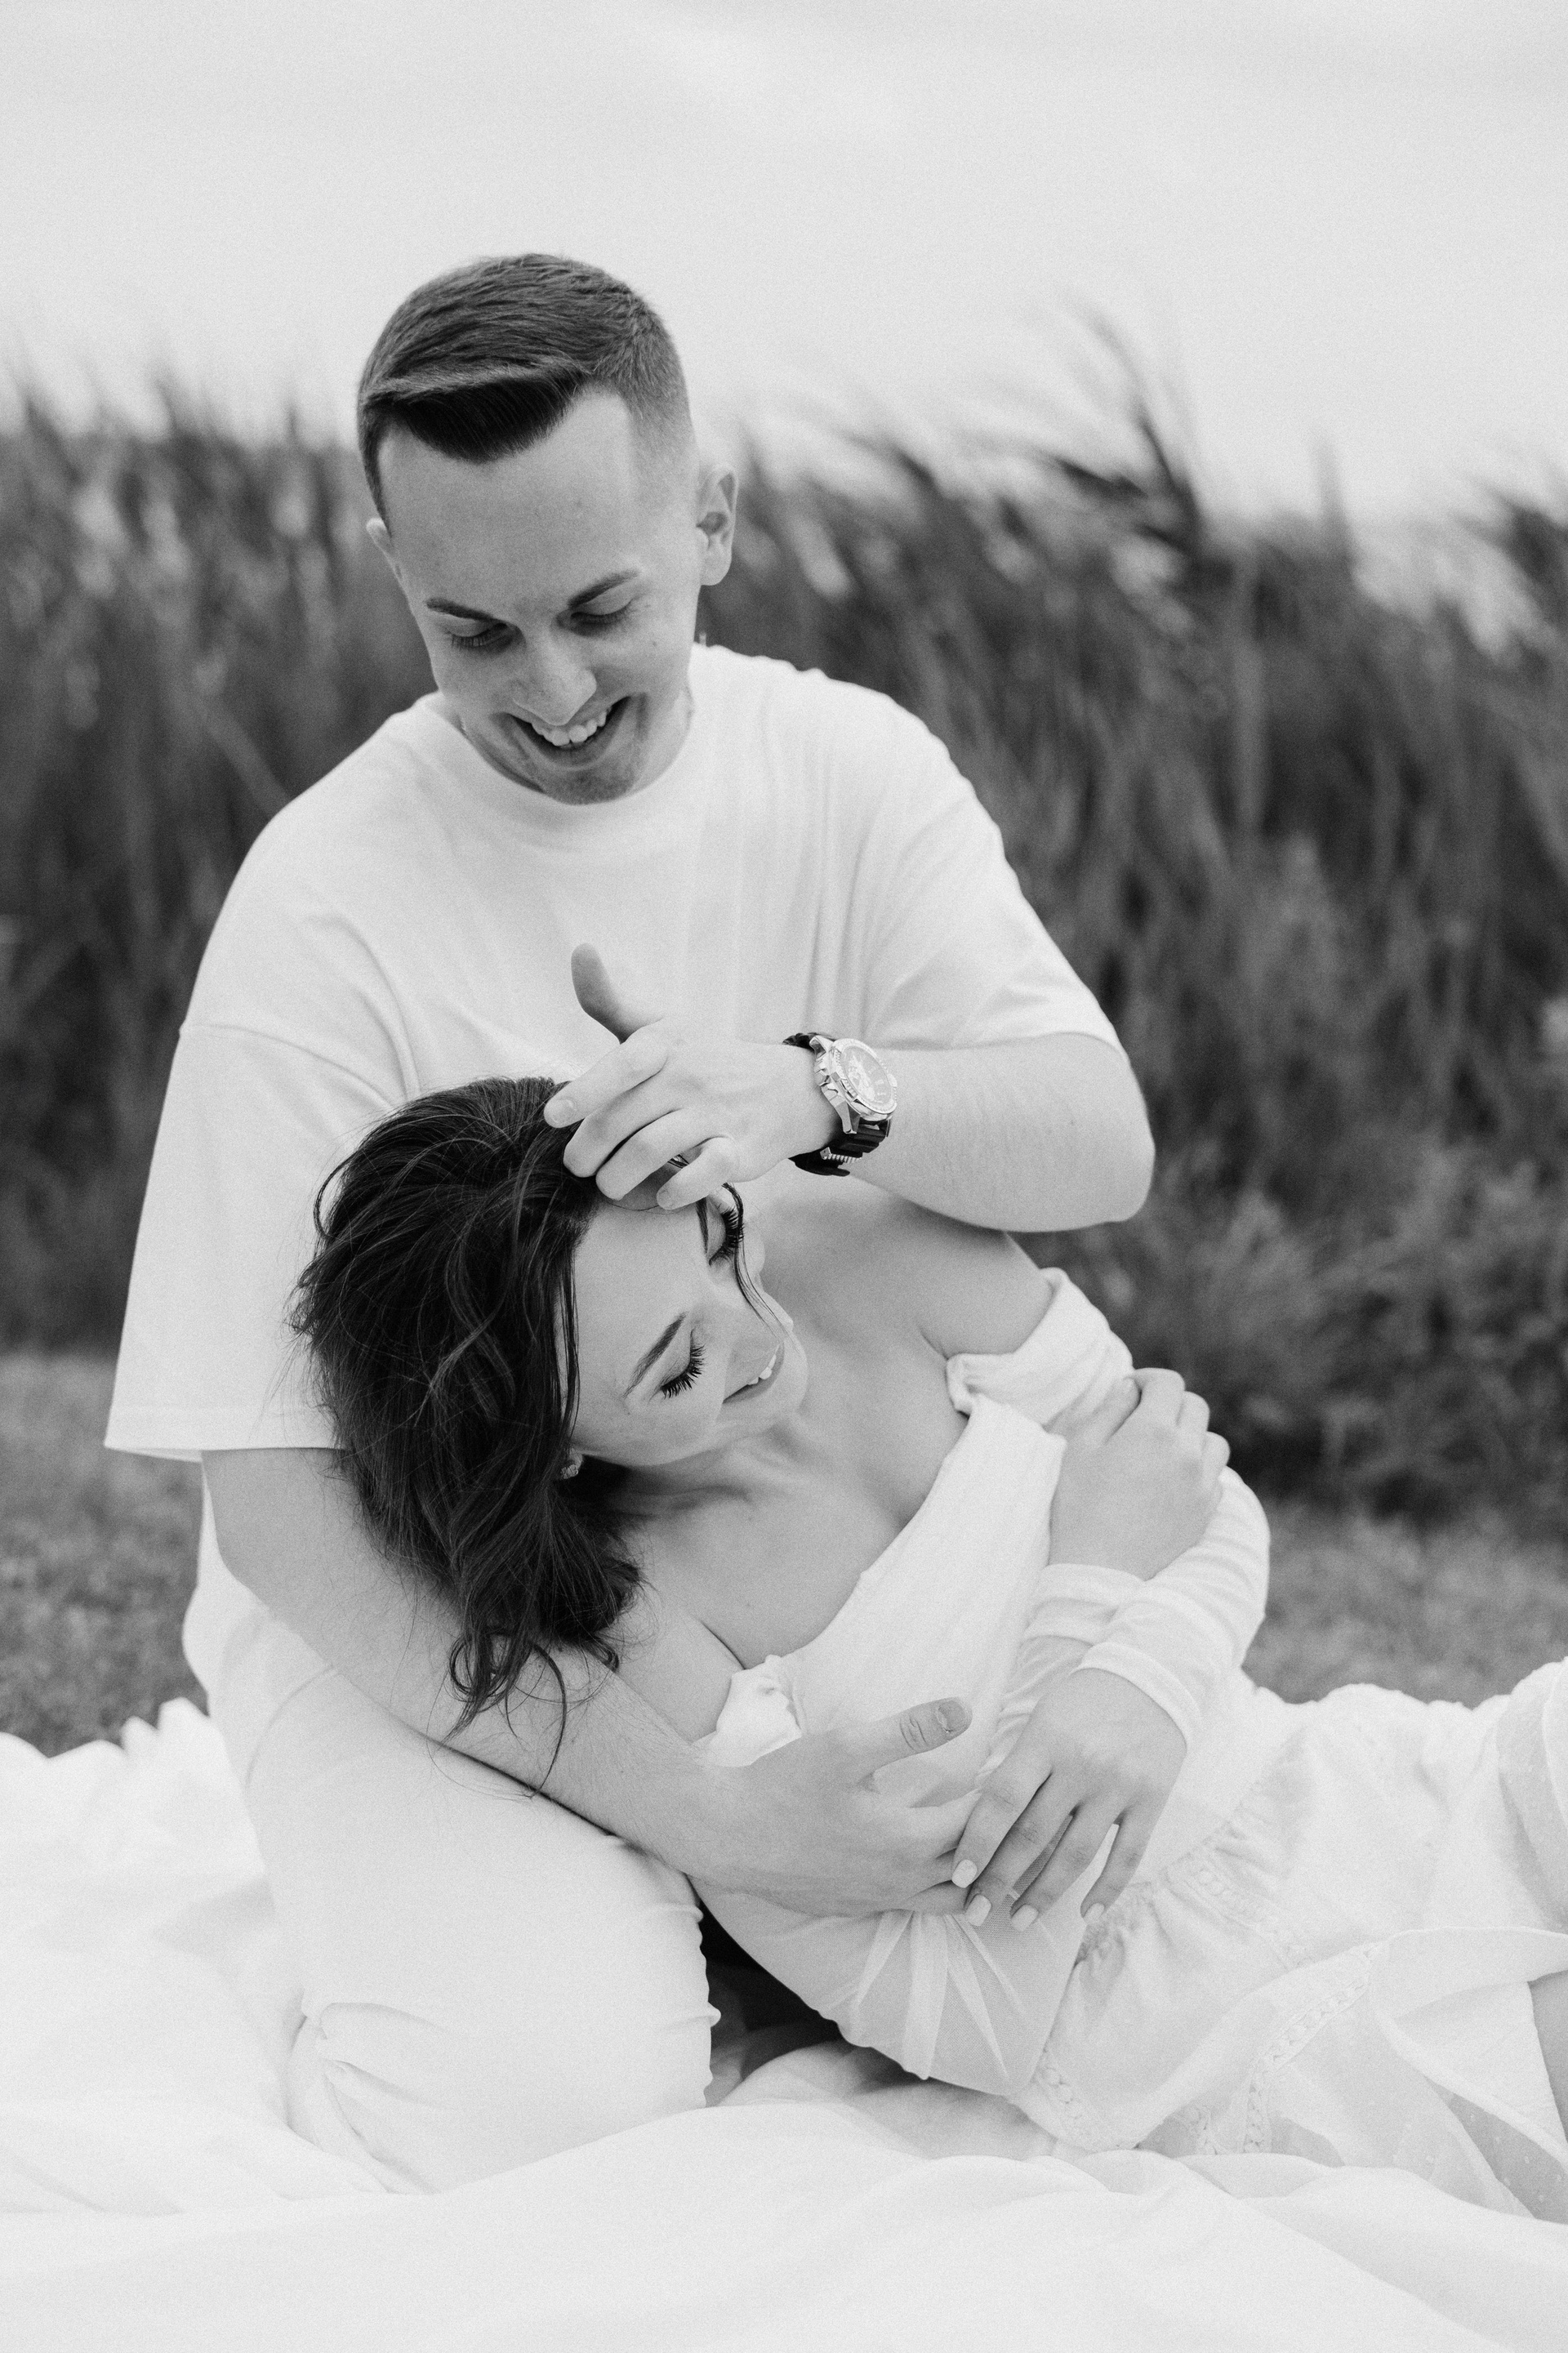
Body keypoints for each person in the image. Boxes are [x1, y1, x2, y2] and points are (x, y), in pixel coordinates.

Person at [105, 253, 1156, 2186]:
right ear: (394, 571)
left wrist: (813, 1092)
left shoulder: (847, 770)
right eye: (474, 631)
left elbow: (1099, 1144)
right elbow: (279, 1511)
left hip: (797, 1560)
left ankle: (742, 1945)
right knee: (548, 2112)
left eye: (601, 609)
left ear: (713, 522)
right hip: (424, 1599)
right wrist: (711, 1811)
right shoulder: (321, 896)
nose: (553, 691)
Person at [292, 1073, 1568, 2222]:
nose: (759, 1328)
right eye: (680, 1366)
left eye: (718, 1239)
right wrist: (1088, 1600)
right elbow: (980, 2019)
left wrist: (1141, 1679)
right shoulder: (643, 1629)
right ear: (557, 1446)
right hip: (1191, 2018)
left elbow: (1191, 1486)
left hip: (1341, 1787)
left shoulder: (861, 1246)